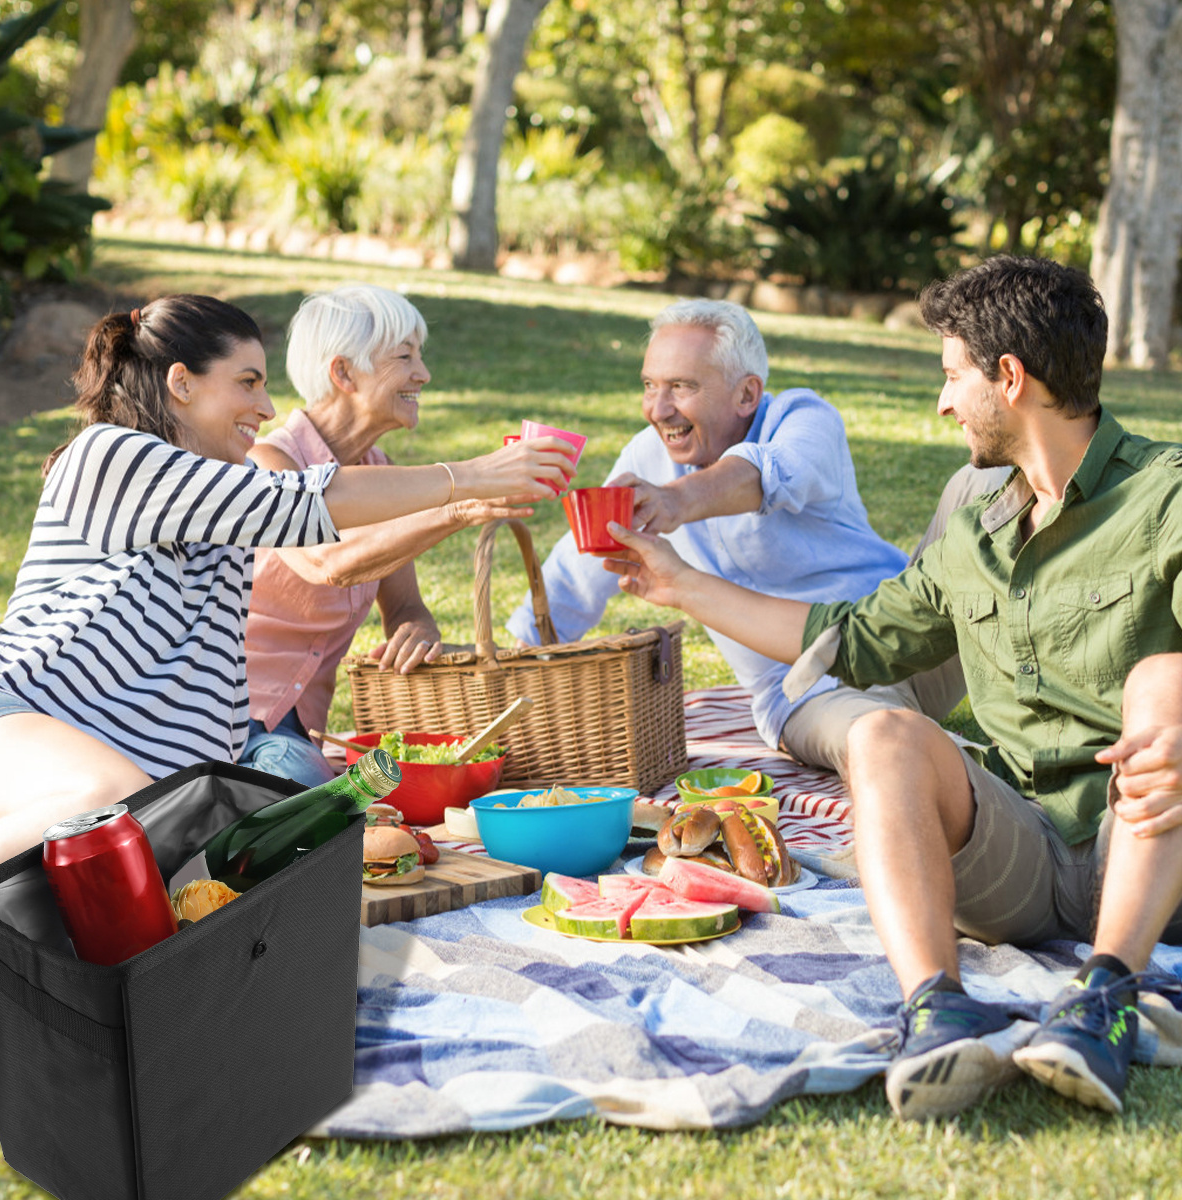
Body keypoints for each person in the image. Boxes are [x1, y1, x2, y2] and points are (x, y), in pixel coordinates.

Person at [604, 256, 1182, 1121]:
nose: (944, 401)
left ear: (1010, 379)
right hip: (1024, 848)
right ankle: (937, 1011)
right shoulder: (979, 520)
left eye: (953, 377)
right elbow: (856, 638)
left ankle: (1104, 996)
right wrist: (678, 583)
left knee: (1162, 678)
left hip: (1144, 843)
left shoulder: (1166, 493)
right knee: (880, 734)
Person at [0, 295, 576, 873]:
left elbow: (215, 708)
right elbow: (298, 509)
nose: (267, 407)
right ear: (182, 383)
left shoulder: (226, 508)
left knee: (179, 849)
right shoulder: (111, 454)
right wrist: (470, 478)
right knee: (107, 808)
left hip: (127, 784)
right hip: (12, 710)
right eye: (247, 382)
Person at [506, 298, 1003, 773]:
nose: (658, 409)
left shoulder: (805, 419)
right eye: (649, 385)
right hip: (808, 690)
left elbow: (768, 474)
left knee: (987, 480)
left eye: (681, 386)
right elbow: (575, 574)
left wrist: (676, 500)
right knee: (888, 746)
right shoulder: (645, 459)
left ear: (747, 393)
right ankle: (990, 778)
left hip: (913, 635)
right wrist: (508, 667)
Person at [239, 284, 535, 787]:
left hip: (298, 732)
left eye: (420, 355)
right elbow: (329, 562)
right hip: (235, 721)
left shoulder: (381, 472)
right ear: (343, 373)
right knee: (326, 802)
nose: (423, 373)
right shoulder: (270, 463)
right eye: (405, 356)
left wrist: (418, 628)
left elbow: (404, 607)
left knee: (407, 791)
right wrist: (456, 506)